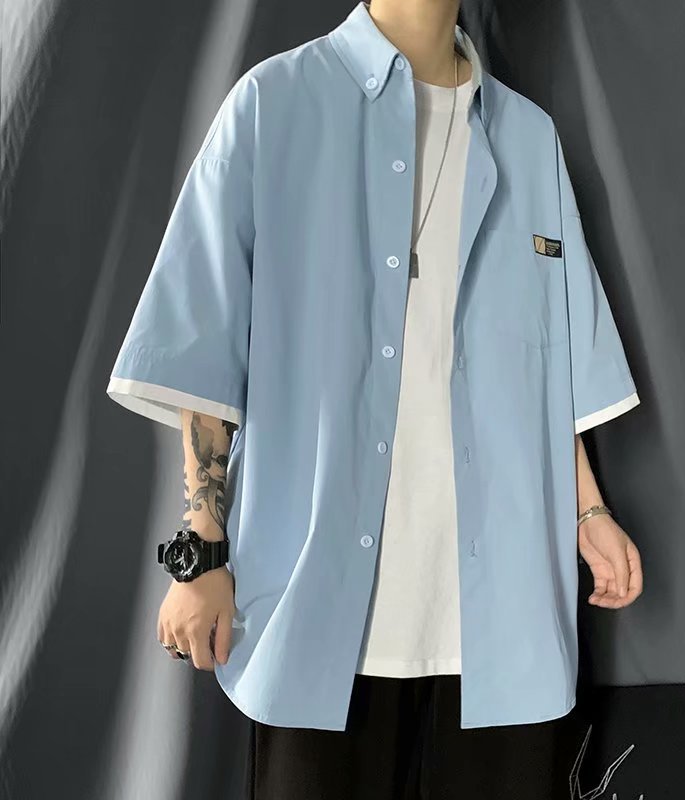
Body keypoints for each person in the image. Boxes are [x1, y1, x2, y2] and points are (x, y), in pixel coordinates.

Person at [106, 0, 644, 797]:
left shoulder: (529, 139)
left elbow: (546, 356)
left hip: (501, 625)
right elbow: (202, 342)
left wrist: (587, 510)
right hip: (317, 617)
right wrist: (202, 546)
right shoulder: (275, 104)